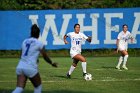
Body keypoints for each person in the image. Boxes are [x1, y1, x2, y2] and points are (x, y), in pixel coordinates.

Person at [12, 24, 57, 93]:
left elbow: (21, 55)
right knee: (38, 87)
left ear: (31, 32)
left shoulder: (25, 41)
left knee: (19, 88)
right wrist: (51, 63)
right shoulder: (39, 43)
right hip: (30, 67)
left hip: (20, 66)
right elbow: (45, 56)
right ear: (38, 34)